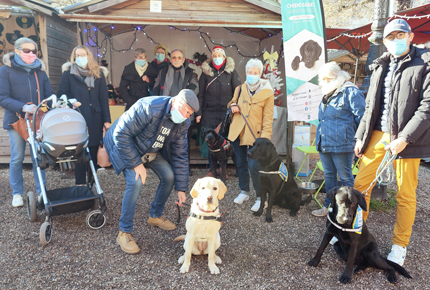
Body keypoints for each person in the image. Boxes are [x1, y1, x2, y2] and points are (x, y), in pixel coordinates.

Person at [353, 19, 430, 266]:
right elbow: (370, 106)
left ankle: (399, 245)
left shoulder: (424, 63)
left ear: (410, 37)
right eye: (390, 37)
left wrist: (405, 138)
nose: (395, 40)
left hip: (408, 139)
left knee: (405, 194)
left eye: (400, 35)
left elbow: (427, 106)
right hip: (377, 134)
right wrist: (360, 136)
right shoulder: (380, 64)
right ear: (384, 41)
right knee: (359, 187)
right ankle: (355, 234)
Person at [103, 89, 198, 254]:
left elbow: (180, 154)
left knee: (169, 177)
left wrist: (181, 188)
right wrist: (136, 164)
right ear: (175, 101)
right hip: (125, 146)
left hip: (150, 149)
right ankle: (124, 231)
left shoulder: (184, 122)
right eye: (184, 110)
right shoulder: (148, 107)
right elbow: (121, 134)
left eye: (189, 114)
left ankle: (155, 215)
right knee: (136, 181)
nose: (185, 115)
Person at [0, 37, 54, 207]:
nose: (31, 54)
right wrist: (24, 107)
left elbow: (49, 95)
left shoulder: (40, 71)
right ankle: (17, 193)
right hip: (16, 121)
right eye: (26, 51)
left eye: (33, 51)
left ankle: (41, 192)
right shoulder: (5, 71)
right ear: (17, 51)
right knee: (17, 157)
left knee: (39, 157)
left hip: (37, 121)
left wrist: (49, 104)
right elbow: (2, 98)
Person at [311, 62, 365, 217]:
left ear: (336, 75)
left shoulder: (350, 91)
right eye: (323, 78)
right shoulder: (328, 92)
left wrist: (359, 140)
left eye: (328, 77)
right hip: (325, 143)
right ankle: (330, 207)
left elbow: (362, 118)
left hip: (342, 144)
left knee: (346, 177)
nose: (325, 81)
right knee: (329, 176)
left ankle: (350, 211)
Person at [57, 45, 111, 186]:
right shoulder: (69, 73)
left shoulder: (98, 73)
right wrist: (70, 102)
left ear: (88, 55)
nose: (80, 58)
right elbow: (61, 94)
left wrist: (107, 120)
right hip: (77, 118)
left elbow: (103, 99)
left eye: (82, 54)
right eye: (77, 55)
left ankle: (92, 184)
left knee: (93, 151)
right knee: (79, 152)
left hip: (95, 118)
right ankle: (80, 185)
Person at [228, 58, 274, 212]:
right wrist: (233, 105)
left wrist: (265, 139)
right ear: (246, 72)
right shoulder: (240, 88)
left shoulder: (267, 92)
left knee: (255, 166)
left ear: (260, 74)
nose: (252, 75)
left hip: (256, 135)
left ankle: (261, 197)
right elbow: (232, 102)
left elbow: (268, 117)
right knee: (240, 163)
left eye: (255, 72)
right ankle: (244, 191)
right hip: (238, 131)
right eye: (250, 72)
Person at [196, 46, 241, 170]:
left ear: (224, 58)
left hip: (226, 113)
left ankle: (225, 169)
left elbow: (238, 92)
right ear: (211, 57)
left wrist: (235, 107)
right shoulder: (205, 73)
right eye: (214, 55)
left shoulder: (232, 72)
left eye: (219, 56)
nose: (217, 58)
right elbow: (201, 94)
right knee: (211, 143)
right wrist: (199, 113)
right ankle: (213, 170)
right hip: (209, 112)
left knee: (226, 141)